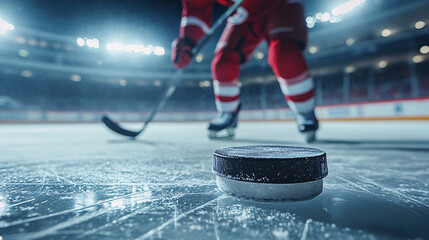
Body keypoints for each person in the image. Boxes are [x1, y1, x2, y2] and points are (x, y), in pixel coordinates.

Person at [171, 0, 319, 142]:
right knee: (223, 63)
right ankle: (228, 112)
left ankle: (305, 112)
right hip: (245, 14)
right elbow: (197, 8)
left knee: (285, 56)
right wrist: (189, 40)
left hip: (280, 5)